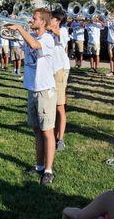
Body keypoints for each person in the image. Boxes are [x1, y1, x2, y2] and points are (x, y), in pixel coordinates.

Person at [6, 8, 57, 185]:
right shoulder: (32, 36)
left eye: (34, 18)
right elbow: (23, 43)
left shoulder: (48, 38)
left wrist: (20, 29)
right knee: (36, 130)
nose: (31, 20)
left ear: (42, 22)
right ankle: (39, 166)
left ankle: (49, 171)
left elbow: (35, 46)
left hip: (45, 90)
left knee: (47, 131)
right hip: (32, 88)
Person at [50, 10, 70, 151]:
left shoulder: (63, 31)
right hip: (50, 71)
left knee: (59, 106)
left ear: (57, 21)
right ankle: (52, 133)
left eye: (51, 18)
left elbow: (59, 35)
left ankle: (60, 139)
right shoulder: (48, 32)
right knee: (51, 105)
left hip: (60, 70)